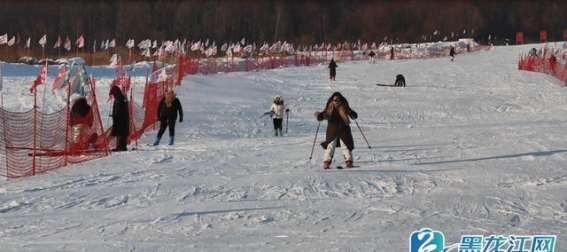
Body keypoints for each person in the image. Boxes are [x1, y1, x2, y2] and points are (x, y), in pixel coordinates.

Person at [315, 92, 358, 169]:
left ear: (341, 101)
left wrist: (353, 114)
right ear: (333, 101)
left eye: (338, 102)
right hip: (332, 130)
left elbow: (350, 112)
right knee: (330, 145)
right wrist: (319, 116)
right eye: (335, 102)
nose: (336, 104)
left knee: (345, 145)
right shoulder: (330, 106)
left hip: (344, 129)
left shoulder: (344, 106)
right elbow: (325, 114)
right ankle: (326, 162)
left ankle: (349, 162)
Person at [109, 86, 130, 151]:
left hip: (120, 118)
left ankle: (120, 146)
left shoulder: (118, 99)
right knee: (123, 132)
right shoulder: (123, 97)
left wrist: (114, 115)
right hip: (125, 118)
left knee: (120, 132)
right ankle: (123, 146)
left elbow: (118, 109)